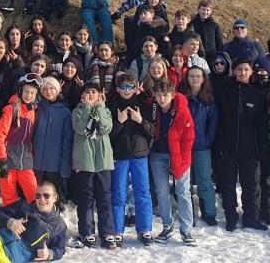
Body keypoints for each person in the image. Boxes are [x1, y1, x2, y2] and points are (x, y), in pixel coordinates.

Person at [216, 58, 269, 232]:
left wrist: (261, 149)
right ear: (234, 71)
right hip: (228, 147)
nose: (243, 73)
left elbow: (262, 125)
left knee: (251, 185)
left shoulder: (258, 95)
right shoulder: (224, 92)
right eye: (239, 69)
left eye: (246, 69)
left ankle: (251, 217)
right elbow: (218, 120)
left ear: (251, 72)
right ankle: (231, 217)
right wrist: (219, 145)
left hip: (250, 148)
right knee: (228, 184)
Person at [107, 73, 155, 246]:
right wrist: (119, 122)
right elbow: (107, 135)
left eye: (130, 87)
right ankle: (117, 230)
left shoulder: (142, 104)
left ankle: (145, 229)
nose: (126, 90)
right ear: (118, 88)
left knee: (142, 192)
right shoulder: (111, 105)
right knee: (118, 194)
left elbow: (151, 131)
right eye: (123, 87)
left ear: (135, 88)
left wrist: (140, 120)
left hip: (139, 154)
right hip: (119, 156)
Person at [149, 81, 196, 245]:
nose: (162, 99)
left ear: (173, 95)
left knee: (183, 192)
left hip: (179, 155)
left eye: (165, 95)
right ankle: (167, 226)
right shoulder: (152, 108)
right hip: (157, 154)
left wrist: (183, 160)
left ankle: (186, 230)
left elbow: (189, 137)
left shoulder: (182, 110)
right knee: (162, 192)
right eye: (159, 95)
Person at [72, 82, 116, 248]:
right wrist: (87, 108)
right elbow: (81, 129)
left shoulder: (105, 110)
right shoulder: (77, 111)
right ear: (82, 95)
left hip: (103, 161)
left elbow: (106, 128)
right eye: (87, 92)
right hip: (84, 161)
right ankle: (87, 232)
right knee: (85, 199)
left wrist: (99, 107)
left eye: (94, 92)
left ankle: (107, 233)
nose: (90, 95)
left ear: (100, 95)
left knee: (105, 198)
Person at [0, 74, 41, 207]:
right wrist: (1, 160)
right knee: (8, 196)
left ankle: (38, 220)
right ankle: (11, 221)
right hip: (7, 160)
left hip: (25, 160)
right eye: (26, 91)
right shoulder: (11, 109)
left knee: (33, 192)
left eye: (32, 93)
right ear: (20, 91)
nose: (29, 95)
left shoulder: (33, 112)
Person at [181, 66, 219, 226]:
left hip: (202, 146)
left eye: (198, 76)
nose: (195, 79)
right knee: (184, 182)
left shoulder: (209, 100)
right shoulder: (181, 98)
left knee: (205, 180)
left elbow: (213, 122)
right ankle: (188, 213)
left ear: (203, 79)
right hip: (183, 146)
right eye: (192, 76)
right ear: (187, 79)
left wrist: (207, 139)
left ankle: (209, 213)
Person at [32, 77, 73, 210]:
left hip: (54, 163)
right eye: (44, 89)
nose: (48, 92)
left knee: (55, 197)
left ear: (57, 90)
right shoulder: (36, 108)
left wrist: (65, 165)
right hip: (35, 161)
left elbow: (67, 141)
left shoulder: (65, 112)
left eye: (51, 88)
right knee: (35, 195)